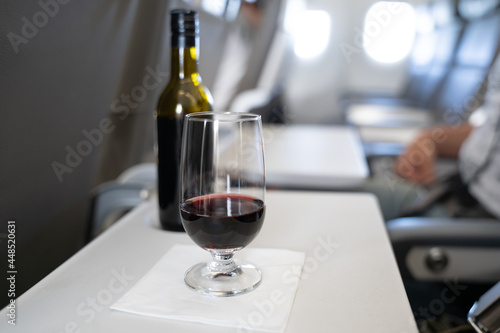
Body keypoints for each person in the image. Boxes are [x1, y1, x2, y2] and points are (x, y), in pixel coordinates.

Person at [368, 56, 500, 221]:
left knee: (350, 202)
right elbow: (491, 132)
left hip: (481, 221)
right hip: (453, 190)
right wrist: (430, 139)